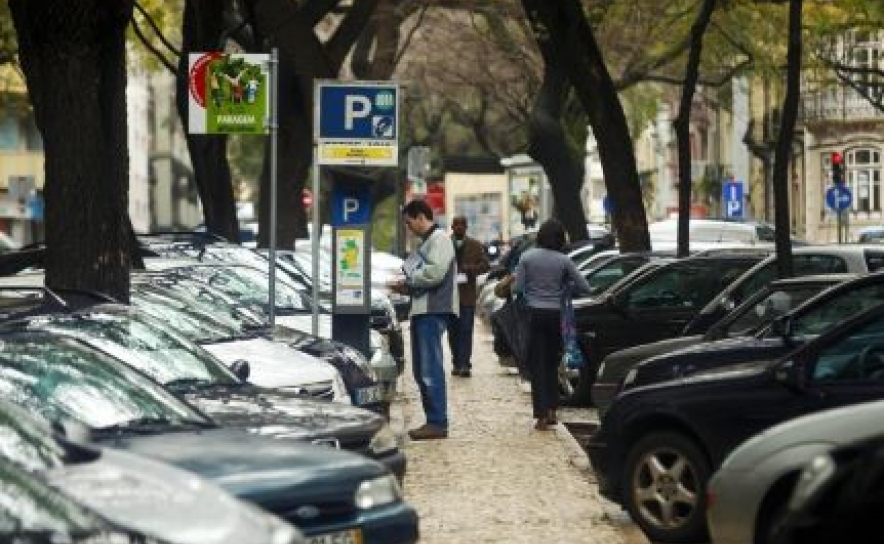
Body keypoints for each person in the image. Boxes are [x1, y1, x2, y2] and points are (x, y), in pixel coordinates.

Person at [513, 219, 591, 430]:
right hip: (556, 316)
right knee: (552, 365)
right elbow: (585, 287)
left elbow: (518, 288)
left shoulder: (527, 257)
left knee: (537, 366)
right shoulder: (564, 261)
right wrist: (565, 286)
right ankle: (553, 411)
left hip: (533, 316)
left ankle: (540, 416)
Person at [390, 200, 458, 440]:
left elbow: (434, 273)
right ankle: (433, 420)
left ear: (421, 217)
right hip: (423, 309)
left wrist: (409, 282)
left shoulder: (439, 239)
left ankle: (438, 422)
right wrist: (405, 287)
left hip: (432, 310)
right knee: (421, 368)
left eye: (409, 223)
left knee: (429, 367)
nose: (409, 228)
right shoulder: (428, 241)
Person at [448, 216, 490, 377]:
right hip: (450, 296)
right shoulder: (444, 244)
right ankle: (456, 362)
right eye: (456, 224)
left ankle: (465, 364)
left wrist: (471, 269)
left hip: (467, 296)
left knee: (466, 330)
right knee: (453, 331)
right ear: (451, 227)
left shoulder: (475, 245)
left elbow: (486, 265)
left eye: (462, 225)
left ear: (466, 227)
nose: (459, 227)